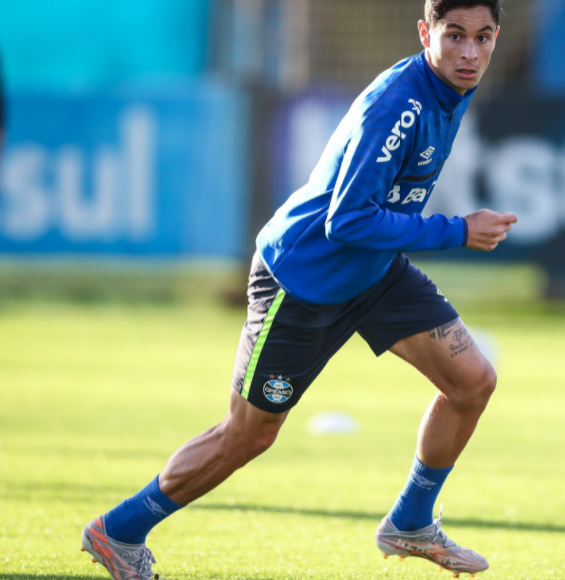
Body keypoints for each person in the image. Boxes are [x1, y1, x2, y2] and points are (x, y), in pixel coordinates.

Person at [81, 1, 515, 578]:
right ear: (424, 33)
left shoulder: (448, 92)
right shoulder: (400, 106)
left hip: (374, 272)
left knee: (472, 381)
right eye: (453, 35)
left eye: (482, 37)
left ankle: (411, 521)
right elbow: (348, 221)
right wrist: (458, 231)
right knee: (248, 436)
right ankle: (119, 529)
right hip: (303, 281)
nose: (469, 52)